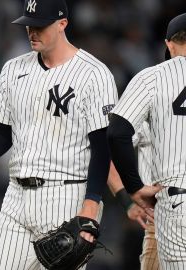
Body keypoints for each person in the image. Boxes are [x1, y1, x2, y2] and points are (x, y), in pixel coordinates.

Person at [0, 0, 118, 268]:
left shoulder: (94, 74)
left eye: (40, 26)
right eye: (28, 25)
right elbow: (0, 136)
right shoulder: (13, 69)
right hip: (16, 197)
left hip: (66, 196)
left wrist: (90, 205)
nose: (32, 32)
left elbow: (102, 148)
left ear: (62, 24)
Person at [107, 12, 186, 269]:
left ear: (168, 44)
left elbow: (112, 139)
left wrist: (131, 192)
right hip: (160, 216)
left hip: (170, 205)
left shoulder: (153, 81)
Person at [107, 123, 159, 270]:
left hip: (160, 217)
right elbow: (106, 153)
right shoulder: (151, 107)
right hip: (159, 217)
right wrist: (128, 199)